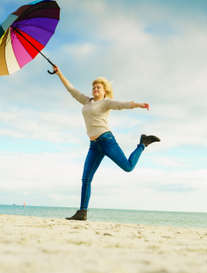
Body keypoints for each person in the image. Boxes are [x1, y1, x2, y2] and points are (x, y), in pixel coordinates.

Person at [54, 65, 160, 221]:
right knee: (86, 179)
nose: (95, 89)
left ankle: (143, 144)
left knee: (128, 167)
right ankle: (82, 212)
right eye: (94, 87)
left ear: (104, 91)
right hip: (93, 145)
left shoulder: (106, 103)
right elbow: (71, 89)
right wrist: (59, 73)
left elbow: (122, 105)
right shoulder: (86, 101)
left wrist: (138, 104)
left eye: (98, 87)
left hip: (106, 141)